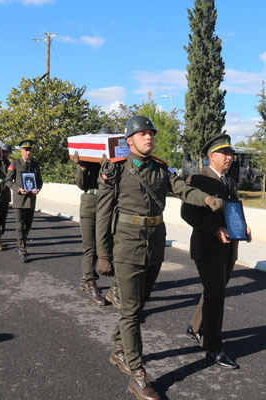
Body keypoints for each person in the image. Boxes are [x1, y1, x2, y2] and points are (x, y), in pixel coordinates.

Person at [96, 115, 226, 400]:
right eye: (142, 134)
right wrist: (102, 254)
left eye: (151, 133)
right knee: (131, 312)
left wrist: (206, 200)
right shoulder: (116, 169)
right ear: (129, 141)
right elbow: (103, 212)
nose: (149, 137)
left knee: (139, 306)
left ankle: (119, 349)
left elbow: (183, 190)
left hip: (155, 245)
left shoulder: (161, 169)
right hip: (126, 247)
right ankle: (137, 375)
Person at [181, 134, 252, 370]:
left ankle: (196, 326)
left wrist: (243, 226)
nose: (230, 158)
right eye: (225, 153)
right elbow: (188, 213)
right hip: (208, 248)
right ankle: (213, 347)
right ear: (211, 155)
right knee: (216, 297)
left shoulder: (228, 180)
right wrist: (215, 230)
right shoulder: (198, 179)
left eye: (231, 154)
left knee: (215, 291)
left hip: (229, 248)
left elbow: (232, 210)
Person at [74, 128, 113, 307]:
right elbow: (81, 185)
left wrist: (109, 167)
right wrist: (81, 167)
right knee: (89, 246)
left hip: (108, 204)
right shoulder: (88, 160)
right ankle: (90, 284)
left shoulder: (114, 162)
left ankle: (86, 277)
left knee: (105, 244)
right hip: (90, 203)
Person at [6, 140, 43, 262]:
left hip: (31, 200)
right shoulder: (15, 163)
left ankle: (20, 243)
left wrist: (37, 189)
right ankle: (22, 249)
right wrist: (18, 189)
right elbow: (8, 181)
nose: (28, 152)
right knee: (19, 225)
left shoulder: (35, 164)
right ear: (21, 151)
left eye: (30, 150)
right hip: (19, 199)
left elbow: (39, 181)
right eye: (26, 150)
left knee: (28, 225)